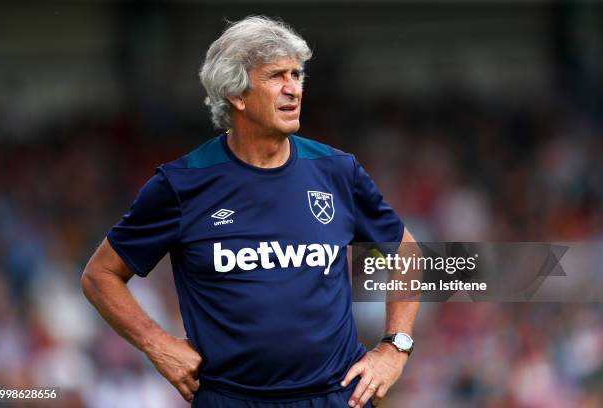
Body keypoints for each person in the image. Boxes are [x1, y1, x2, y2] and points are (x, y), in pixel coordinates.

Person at [82, 15, 419, 408]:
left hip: (336, 396)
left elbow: (406, 252)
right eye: (277, 76)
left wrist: (395, 347)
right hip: (230, 399)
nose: (293, 89)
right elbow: (99, 275)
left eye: (297, 75)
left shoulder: (337, 171)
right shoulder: (182, 184)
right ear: (236, 95)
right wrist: (157, 344)